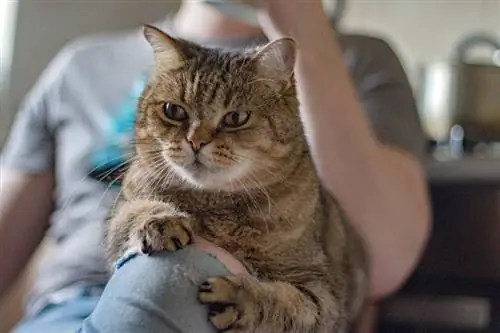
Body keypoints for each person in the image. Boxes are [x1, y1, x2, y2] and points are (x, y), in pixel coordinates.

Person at [0, 0, 431, 332]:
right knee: (159, 277)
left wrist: (305, 27)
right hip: (78, 308)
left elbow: (384, 264)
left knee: (169, 279)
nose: (197, 141)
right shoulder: (81, 63)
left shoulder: (358, 59)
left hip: (262, 311)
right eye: (172, 112)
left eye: (235, 121)